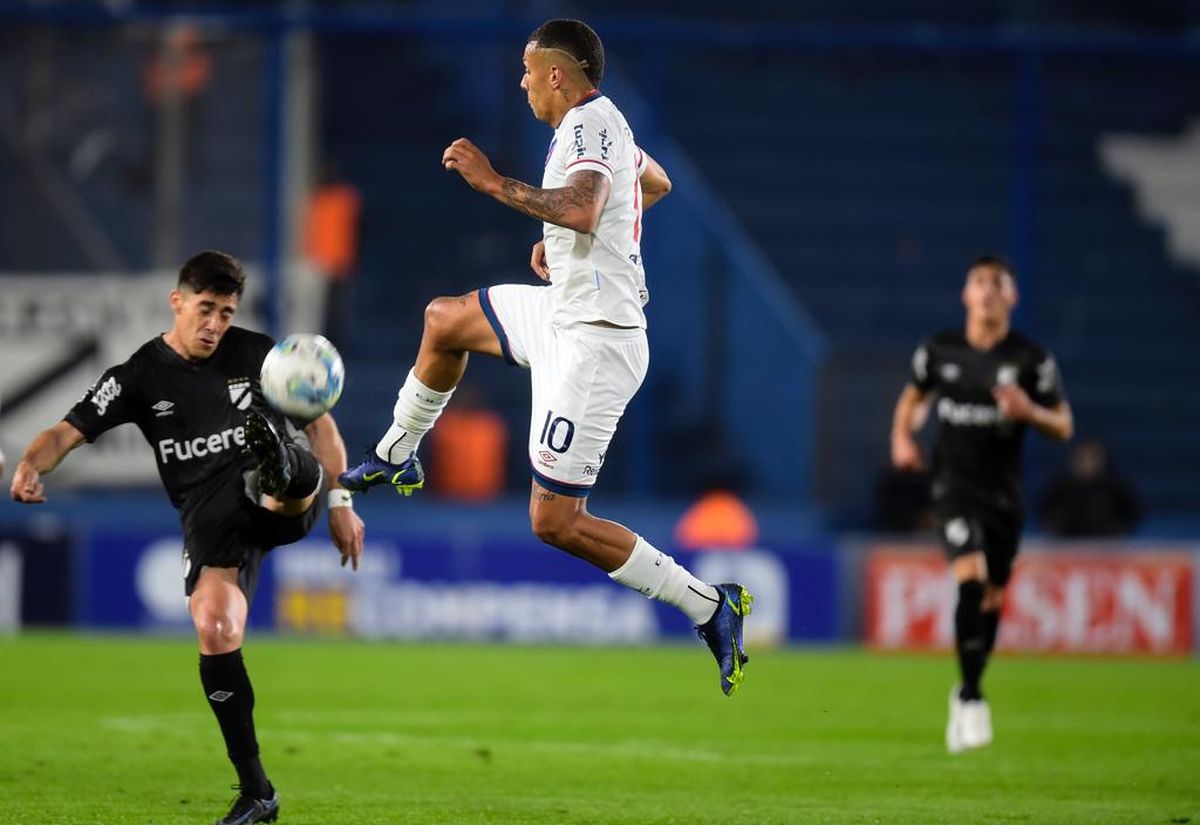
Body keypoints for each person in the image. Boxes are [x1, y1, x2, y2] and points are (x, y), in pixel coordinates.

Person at [339, 19, 754, 696]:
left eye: (529, 71)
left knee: (554, 522)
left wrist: (496, 183)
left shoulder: (590, 126)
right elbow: (655, 183)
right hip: (563, 309)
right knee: (444, 321)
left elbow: (588, 208)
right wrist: (567, 244)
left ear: (558, 74)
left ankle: (710, 604)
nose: (522, 81)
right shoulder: (601, 127)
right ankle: (395, 453)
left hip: (596, 342)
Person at [9, 251, 365, 825]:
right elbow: (65, 432)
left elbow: (322, 423)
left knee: (286, 471)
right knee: (216, 628)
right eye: (206, 310)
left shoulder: (258, 355)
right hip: (208, 517)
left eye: (226, 312)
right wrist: (31, 466)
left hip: (269, 499)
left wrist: (342, 502)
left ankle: (281, 468)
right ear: (177, 302)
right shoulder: (138, 377)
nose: (215, 325)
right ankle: (257, 792)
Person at [889, 254, 1073, 753]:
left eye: (998, 284)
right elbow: (913, 397)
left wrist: (1029, 410)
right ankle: (970, 700)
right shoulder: (940, 350)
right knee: (970, 583)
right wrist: (902, 440)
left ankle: (969, 685)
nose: (988, 291)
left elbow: (1063, 425)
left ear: (1012, 297)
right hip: (953, 488)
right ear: (966, 295)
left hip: (1004, 496)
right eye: (979, 283)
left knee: (991, 598)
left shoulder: (1031, 360)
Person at [1038, 438, 1140, 537]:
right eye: (1082, 458)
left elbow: (1132, 514)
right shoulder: (1060, 486)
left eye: (1092, 458)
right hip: (1066, 544)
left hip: (1108, 546)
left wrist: (1117, 530)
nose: (1087, 463)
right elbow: (1045, 513)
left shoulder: (1115, 486)